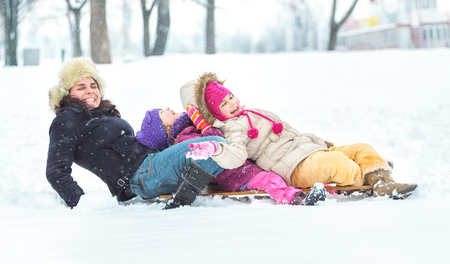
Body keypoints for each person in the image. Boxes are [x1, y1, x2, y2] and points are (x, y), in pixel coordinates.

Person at [179, 72, 418, 199]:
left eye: (230, 96)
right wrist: (216, 150)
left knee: (360, 148)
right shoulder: (233, 129)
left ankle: (381, 181)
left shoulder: (255, 112)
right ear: (214, 113)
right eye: (223, 104)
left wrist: (318, 144)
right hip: (295, 167)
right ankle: (369, 177)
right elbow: (236, 156)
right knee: (336, 164)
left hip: (312, 150)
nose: (232, 103)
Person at [46, 57, 227, 210]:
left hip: (152, 165)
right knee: (217, 145)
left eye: (93, 85)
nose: (90, 90)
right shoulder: (67, 120)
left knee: (226, 144)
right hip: (141, 176)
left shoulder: (102, 114)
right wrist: (81, 203)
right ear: (68, 93)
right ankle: (182, 199)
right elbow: (56, 171)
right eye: (80, 87)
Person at [135, 107, 326, 206]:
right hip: (235, 174)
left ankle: (327, 189)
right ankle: (294, 199)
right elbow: (217, 143)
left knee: (284, 171)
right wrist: (207, 128)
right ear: (165, 129)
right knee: (271, 180)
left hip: (242, 164)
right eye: (162, 113)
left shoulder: (190, 127)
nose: (168, 108)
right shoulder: (184, 138)